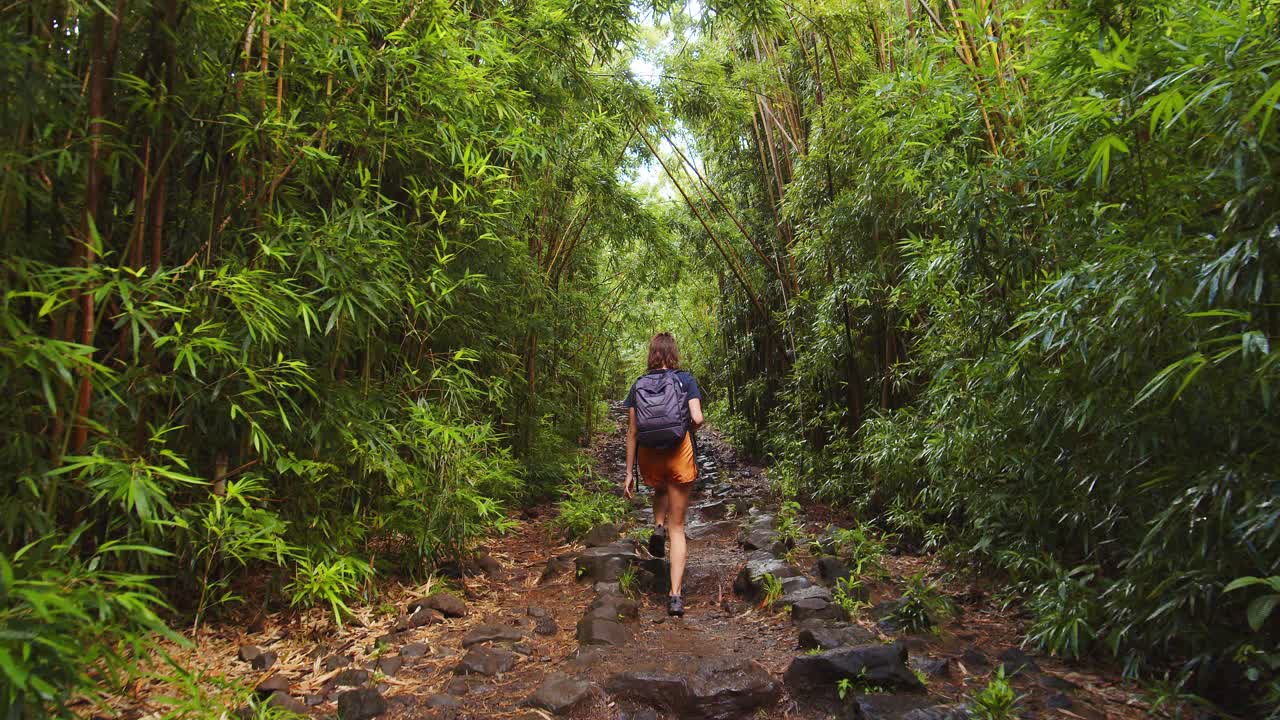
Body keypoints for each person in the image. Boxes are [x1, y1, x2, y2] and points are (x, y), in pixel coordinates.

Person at [622, 332, 704, 617]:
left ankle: (657, 525)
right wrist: (683, 430)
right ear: (673, 353)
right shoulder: (685, 379)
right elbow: (697, 418)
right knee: (678, 528)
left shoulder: (638, 384)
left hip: (649, 456)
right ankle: (676, 596)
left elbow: (632, 431)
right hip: (679, 453)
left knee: (659, 487)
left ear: (652, 354)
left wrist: (629, 473)